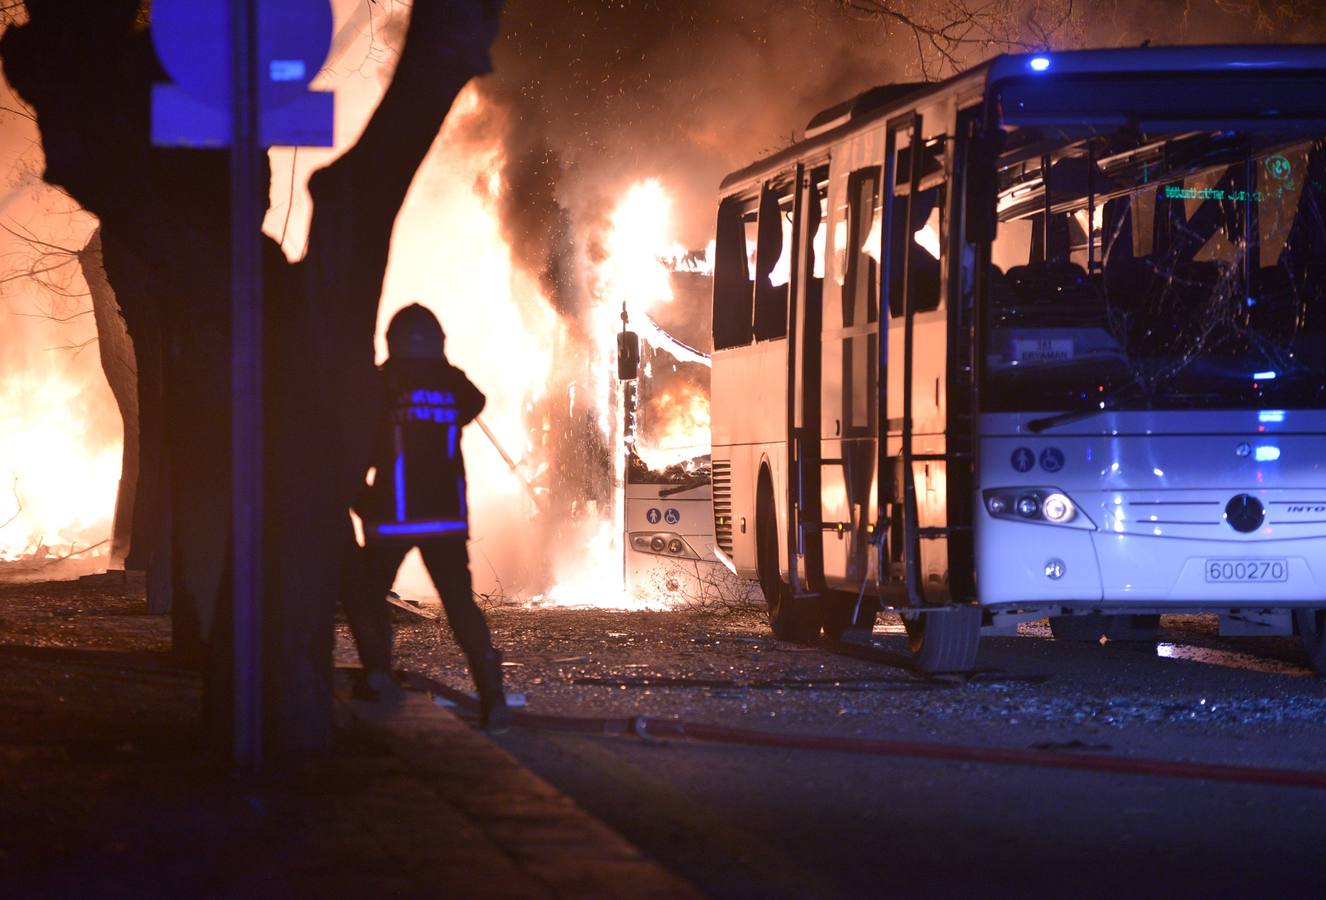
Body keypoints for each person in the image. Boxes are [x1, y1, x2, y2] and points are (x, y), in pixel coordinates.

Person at [344, 303, 511, 731]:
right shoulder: (452, 384)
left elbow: (357, 442)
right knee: (460, 606)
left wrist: (360, 501)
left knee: (366, 597)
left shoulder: (380, 385)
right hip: (445, 519)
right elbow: (475, 402)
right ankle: (493, 696)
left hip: (392, 517)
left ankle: (378, 676)